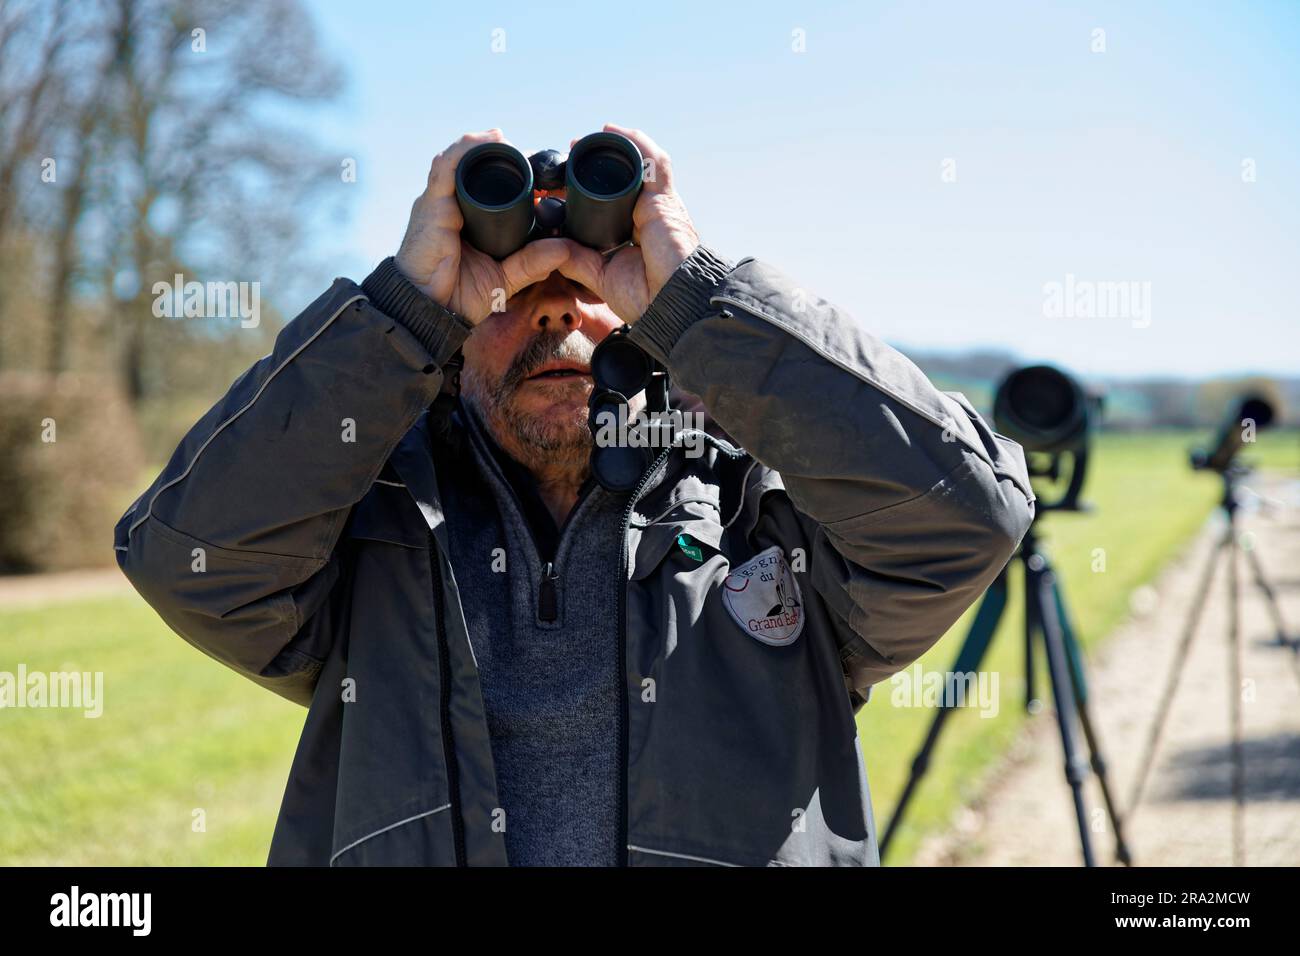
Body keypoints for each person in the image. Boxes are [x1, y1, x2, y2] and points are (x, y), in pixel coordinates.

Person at [114, 124, 1036, 867]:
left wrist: (700, 298)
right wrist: (401, 310)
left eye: (588, 286)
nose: (555, 311)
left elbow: (968, 515)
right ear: (455, 335)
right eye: (513, 293)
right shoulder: (373, 530)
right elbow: (188, 559)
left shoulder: (768, 517)